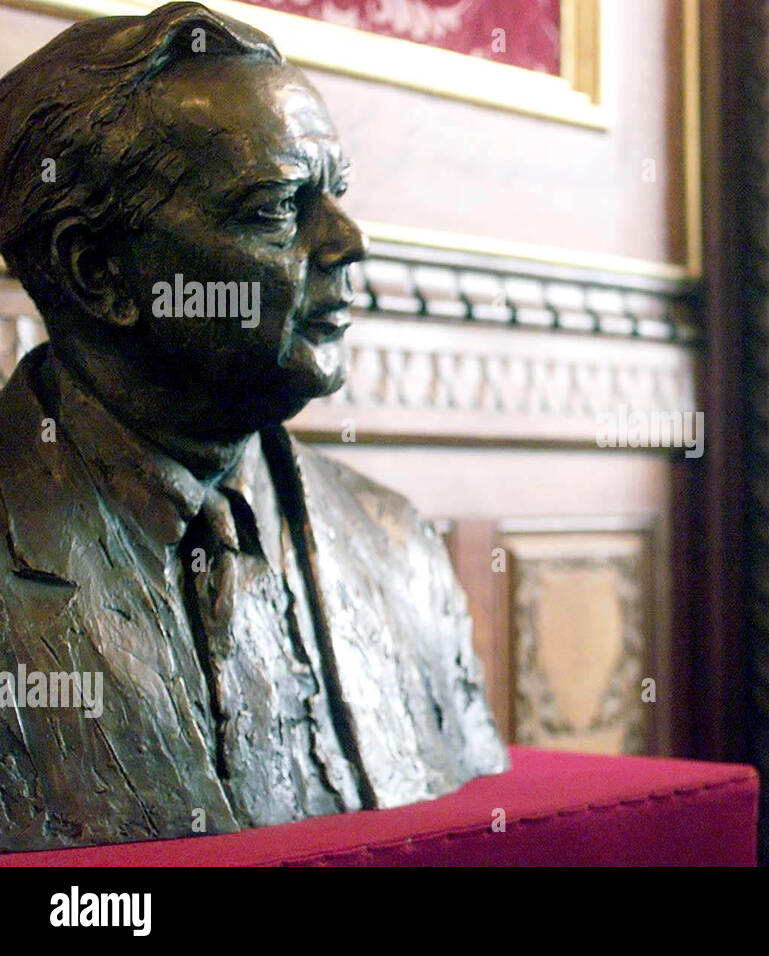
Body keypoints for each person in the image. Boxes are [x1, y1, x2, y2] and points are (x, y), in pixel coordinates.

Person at [0, 2, 507, 852]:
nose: (349, 242)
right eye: (278, 208)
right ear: (98, 273)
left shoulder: (399, 549)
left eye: (334, 195)